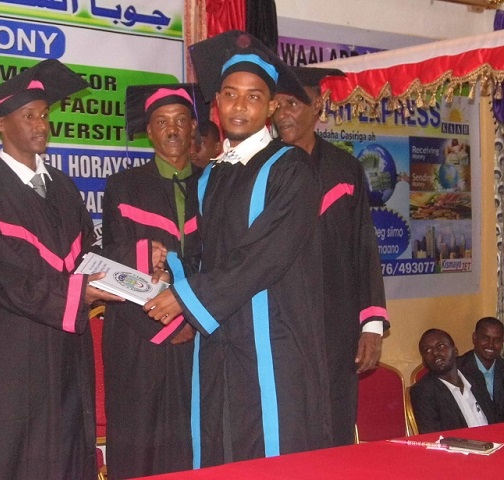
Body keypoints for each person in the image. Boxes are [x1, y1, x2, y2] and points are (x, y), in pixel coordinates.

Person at [144, 31, 333, 467]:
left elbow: (263, 256)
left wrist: (186, 297)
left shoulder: (291, 169)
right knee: (219, 444)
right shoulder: (211, 175)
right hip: (222, 338)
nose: (239, 105)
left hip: (275, 336)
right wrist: (170, 269)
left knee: (270, 452)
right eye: (230, 94)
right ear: (217, 103)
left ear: (272, 107)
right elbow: (209, 254)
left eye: (253, 96)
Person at [0, 59, 145, 480]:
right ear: (0, 123)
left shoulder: (63, 187)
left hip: (67, 352)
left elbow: (87, 254)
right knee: (15, 457)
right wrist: (80, 293)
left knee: (70, 451)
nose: (41, 125)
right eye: (29, 116)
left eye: (44, 114)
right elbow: (4, 279)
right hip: (12, 354)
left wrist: (135, 267)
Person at [271, 66, 389, 446]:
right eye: (277, 105)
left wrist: (371, 325)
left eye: (293, 104)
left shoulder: (345, 168)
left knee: (335, 426)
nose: (282, 114)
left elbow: (363, 247)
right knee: (288, 430)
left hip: (337, 326)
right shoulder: (262, 169)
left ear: (318, 104)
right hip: (280, 325)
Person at [101, 83, 205, 479]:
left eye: (180, 120)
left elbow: (225, 262)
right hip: (139, 336)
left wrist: (190, 316)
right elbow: (116, 264)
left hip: (200, 333)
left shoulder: (214, 185)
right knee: (139, 446)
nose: (172, 129)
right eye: (162, 122)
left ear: (193, 127)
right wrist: (167, 324)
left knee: (194, 441)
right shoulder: (124, 186)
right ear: (149, 131)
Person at [410, 329, 494, 434]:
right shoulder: (423, 392)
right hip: (462, 444)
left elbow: (494, 418)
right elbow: (433, 437)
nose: (435, 353)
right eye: (427, 350)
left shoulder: (475, 377)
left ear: (455, 351)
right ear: (424, 361)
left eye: (440, 346)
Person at [457, 317, 504, 423]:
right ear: (474, 338)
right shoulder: (456, 370)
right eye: (485, 338)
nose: (491, 345)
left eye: (497, 340)